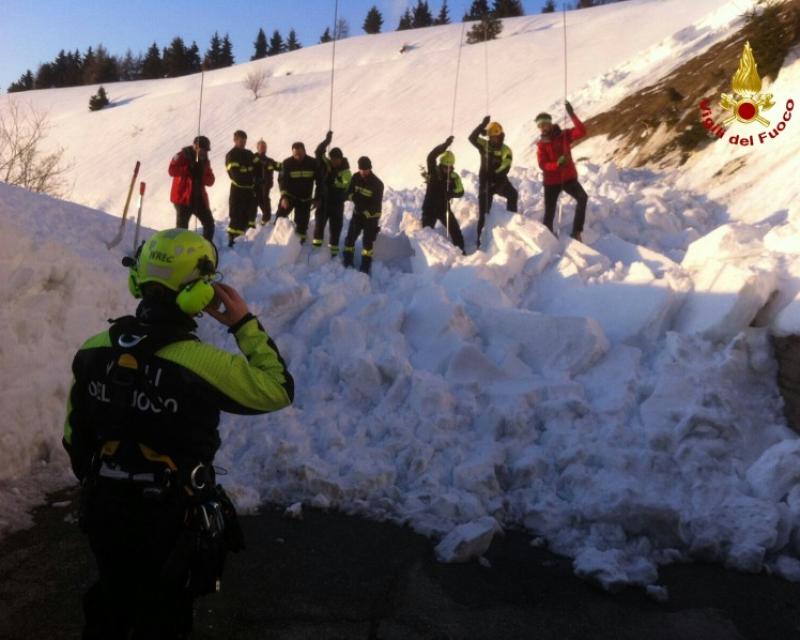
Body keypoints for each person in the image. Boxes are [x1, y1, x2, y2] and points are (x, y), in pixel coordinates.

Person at [63, 228, 294, 639]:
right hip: (170, 518)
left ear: (137, 281)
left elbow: (74, 438)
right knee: (164, 614)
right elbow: (276, 389)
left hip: (103, 510)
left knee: (110, 603)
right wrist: (243, 325)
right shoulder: (200, 363)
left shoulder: (92, 349)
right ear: (199, 294)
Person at [536, 101, 588, 241]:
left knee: (582, 198)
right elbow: (542, 164)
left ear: (550, 123)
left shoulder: (564, 135)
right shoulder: (541, 145)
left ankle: (577, 232)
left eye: (544, 124)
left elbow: (582, 131)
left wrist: (571, 114)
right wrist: (556, 165)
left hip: (568, 178)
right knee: (549, 212)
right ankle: (548, 238)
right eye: (540, 126)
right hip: (551, 182)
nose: (542, 128)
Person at [468, 115, 518, 248]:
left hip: (499, 181)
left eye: (495, 137)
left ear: (501, 136)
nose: (493, 140)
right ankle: (480, 242)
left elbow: (505, 167)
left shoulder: (505, 150)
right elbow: (471, 138)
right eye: (491, 137)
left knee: (513, 195)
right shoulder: (484, 145)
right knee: (484, 214)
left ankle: (511, 225)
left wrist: (495, 180)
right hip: (485, 184)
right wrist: (482, 126)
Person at [421, 136, 465, 254]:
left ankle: (461, 253)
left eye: (450, 167)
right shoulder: (434, 171)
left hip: (443, 209)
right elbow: (431, 156)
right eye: (446, 167)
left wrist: (451, 194)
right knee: (426, 235)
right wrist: (444, 146)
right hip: (429, 208)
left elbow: (461, 191)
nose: (448, 170)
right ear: (442, 165)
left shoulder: (454, 177)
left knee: (456, 231)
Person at [168, 135, 216, 243]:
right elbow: (172, 170)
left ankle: (206, 248)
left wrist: (202, 173)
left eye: (206, 150)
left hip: (199, 199)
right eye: (203, 150)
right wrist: (188, 169)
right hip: (183, 199)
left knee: (209, 224)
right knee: (181, 230)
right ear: (196, 146)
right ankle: (178, 252)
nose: (205, 153)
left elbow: (211, 181)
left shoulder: (205, 161)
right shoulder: (182, 155)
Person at [313, 130, 352, 257]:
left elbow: (347, 190)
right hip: (323, 202)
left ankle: (333, 254)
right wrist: (326, 141)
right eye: (332, 158)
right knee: (319, 227)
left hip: (336, 205)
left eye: (336, 159)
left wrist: (339, 195)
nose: (334, 161)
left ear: (341, 159)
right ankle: (316, 252)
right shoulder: (326, 165)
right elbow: (318, 152)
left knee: (335, 229)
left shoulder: (346, 173)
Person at [343, 156, 384, 275]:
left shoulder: (377, 184)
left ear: (370, 169)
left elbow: (376, 204)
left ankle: (365, 267)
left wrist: (365, 211)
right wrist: (353, 197)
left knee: (367, 242)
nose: (364, 172)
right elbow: (348, 193)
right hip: (357, 214)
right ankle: (347, 261)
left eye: (366, 170)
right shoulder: (355, 177)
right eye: (362, 169)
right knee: (350, 238)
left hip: (371, 216)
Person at [275, 142, 319, 244]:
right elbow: (282, 181)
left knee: (302, 224)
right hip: (290, 196)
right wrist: (284, 197)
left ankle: (300, 244)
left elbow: (320, 182)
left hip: (305, 198)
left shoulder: (313, 163)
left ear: (304, 151)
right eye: (295, 155)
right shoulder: (287, 163)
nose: (297, 157)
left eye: (299, 154)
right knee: (280, 217)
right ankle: (277, 240)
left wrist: (317, 198)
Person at [225, 130, 260, 247]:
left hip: (249, 190)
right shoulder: (231, 155)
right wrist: (251, 177)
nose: (243, 143)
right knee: (235, 215)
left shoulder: (249, 154)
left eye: (245, 141)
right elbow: (235, 175)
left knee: (247, 215)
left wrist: (257, 178)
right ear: (235, 140)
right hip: (237, 190)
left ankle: (243, 242)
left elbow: (258, 166)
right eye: (241, 141)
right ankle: (232, 240)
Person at [254, 139, 280, 226]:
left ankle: (265, 221)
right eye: (261, 147)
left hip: (266, 186)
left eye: (264, 147)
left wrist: (289, 165)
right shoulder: (253, 158)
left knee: (265, 202)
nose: (263, 148)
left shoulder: (269, 161)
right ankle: (250, 224)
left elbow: (279, 166)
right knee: (254, 204)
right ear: (257, 148)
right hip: (255, 186)